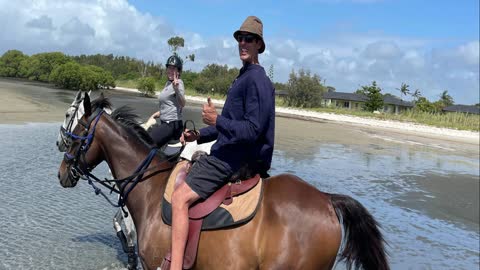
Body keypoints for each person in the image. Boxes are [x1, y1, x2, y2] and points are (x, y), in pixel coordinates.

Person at [169, 16, 275, 270]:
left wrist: (217, 119)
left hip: (234, 159)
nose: (243, 43)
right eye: (240, 38)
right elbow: (226, 125)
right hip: (230, 151)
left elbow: (252, 129)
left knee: (179, 197)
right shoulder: (243, 77)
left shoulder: (257, 80)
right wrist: (199, 136)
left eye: (249, 39)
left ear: (259, 44)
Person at [144, 54, 186, 147]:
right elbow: (167, 106)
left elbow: (182, 103)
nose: (171, 71)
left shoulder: (179, 83)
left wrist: (176, 90)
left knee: (146, 142)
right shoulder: (168, 84)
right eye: (169, 68)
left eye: (174, 68)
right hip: (164, 123)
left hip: (172, 125)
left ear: (178, 71)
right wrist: (154, 115)